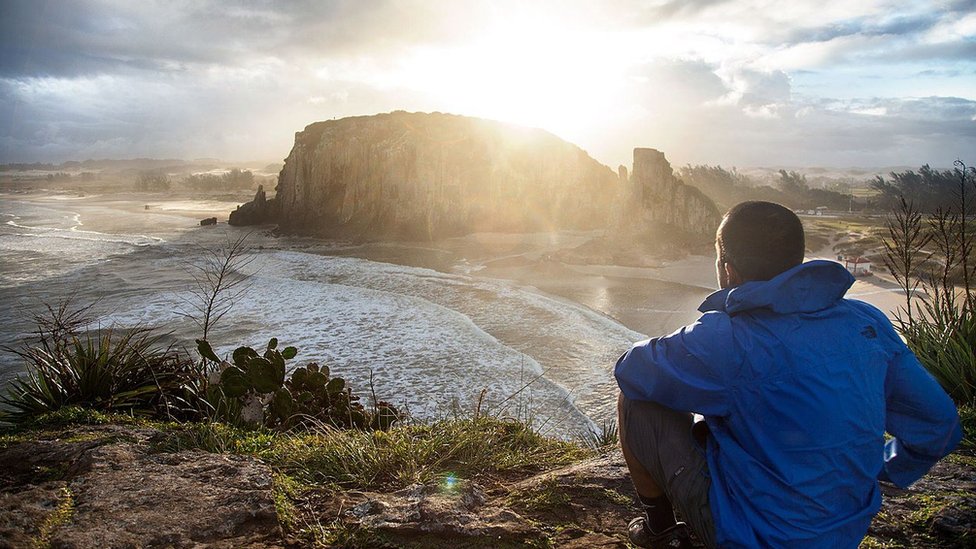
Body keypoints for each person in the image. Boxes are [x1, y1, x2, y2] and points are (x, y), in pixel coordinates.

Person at [614, 201, 962, 548]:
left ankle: (659, 529)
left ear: (727, 269)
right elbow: (940, 425)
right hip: (845, 531)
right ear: (797, 260)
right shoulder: (865, 322)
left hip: (750, 537)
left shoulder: (727, 340)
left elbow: (631, 369)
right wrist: (879, 468)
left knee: (635, 400)